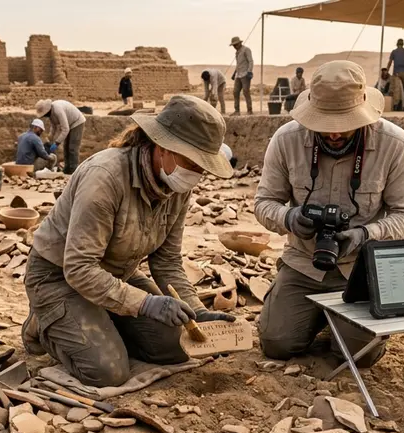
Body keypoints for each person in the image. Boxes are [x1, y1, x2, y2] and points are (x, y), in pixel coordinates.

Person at [21, 95, 238, 388]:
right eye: (193, 162)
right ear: (164, 148)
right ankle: (43, 323)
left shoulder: (177, 186)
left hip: (115, 275)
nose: (197, 174)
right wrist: (146, 303)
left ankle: (103, 321)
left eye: (203, 166)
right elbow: (79, 268)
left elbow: (167, 262)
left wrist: (196, 310)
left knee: (177, 347)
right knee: (107, 372)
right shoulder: (105, 178)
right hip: (58, 276)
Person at [253, 60, 404, 365]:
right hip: (303, 263)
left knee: (360, 356)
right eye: (324, 125)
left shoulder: (393, 144)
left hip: (359, 268)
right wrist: (290, 219)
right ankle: (313, 314)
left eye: (343, 125)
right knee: (277, 344)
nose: (333, 135)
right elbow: (263, 203)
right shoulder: (286, 140)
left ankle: (339, 320)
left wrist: (365, 234)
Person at [36, 99, 86, 174]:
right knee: (66, 147)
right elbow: (53, 128)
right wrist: (50, 140)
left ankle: (74, 170)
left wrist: (56, 143)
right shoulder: (51, 115)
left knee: (72, 147)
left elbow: (65, 129)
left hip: (77, 122)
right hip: (69, 124)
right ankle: (67, 169)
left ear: (48, 110)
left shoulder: (57, 110)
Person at [386, 39, 404, 111]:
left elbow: (389, 62)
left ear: (397, 44)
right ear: (403, 44)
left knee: (395, 89)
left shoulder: (394, 52)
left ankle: (395, 105)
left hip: (396, 73)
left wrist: (387, 71)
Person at [229, 36, 254, 115]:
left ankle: (249, 110)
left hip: (245, 74)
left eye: (236, 45)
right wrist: (234, 73)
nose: (234, 47)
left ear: (240, 43)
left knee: (246, 92)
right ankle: (237, 111)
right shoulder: (237, 52)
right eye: (234, 45)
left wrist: (249, 71)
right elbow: (238, 64)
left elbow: (250, 61)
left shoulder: (246, 50)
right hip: (238, 75)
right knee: (235, 92)